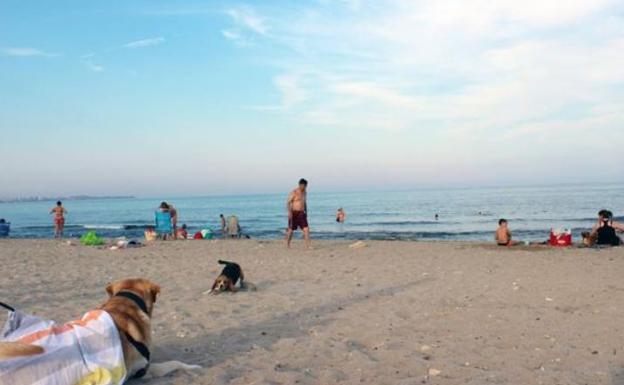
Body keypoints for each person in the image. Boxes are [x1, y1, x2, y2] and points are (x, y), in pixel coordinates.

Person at [285, 178, 310, 248]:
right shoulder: (294, 192)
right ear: (300, 185)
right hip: (294, 213)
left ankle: (308, 245)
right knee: (291, 230)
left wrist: (306, 211)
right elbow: (288, 202)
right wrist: (289, 212)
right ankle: (288, 244)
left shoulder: (305, 192)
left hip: (302, 213)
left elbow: (304, 202)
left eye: (305, 186)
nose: (304, 187)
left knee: (306, 229)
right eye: (303, 186)